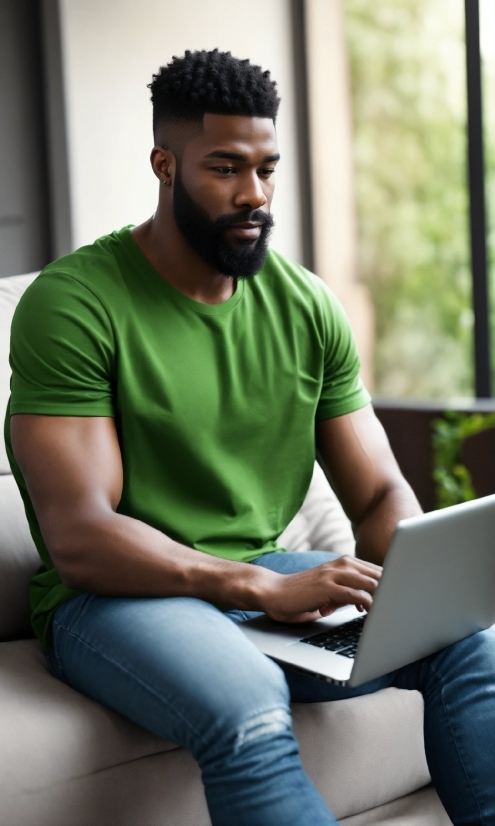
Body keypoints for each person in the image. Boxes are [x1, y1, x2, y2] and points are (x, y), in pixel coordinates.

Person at [5, 49, 494, 826]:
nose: (253, 195)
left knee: (471, 643)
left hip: (259, 579)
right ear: (164, 164)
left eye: (267, 168)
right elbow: (81, 535)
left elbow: (373, 491)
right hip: (115, 597)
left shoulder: (305, 305)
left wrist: (419, 589)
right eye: (225, 168)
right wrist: (258, 588)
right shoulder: (73, 305)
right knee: (249, 705)